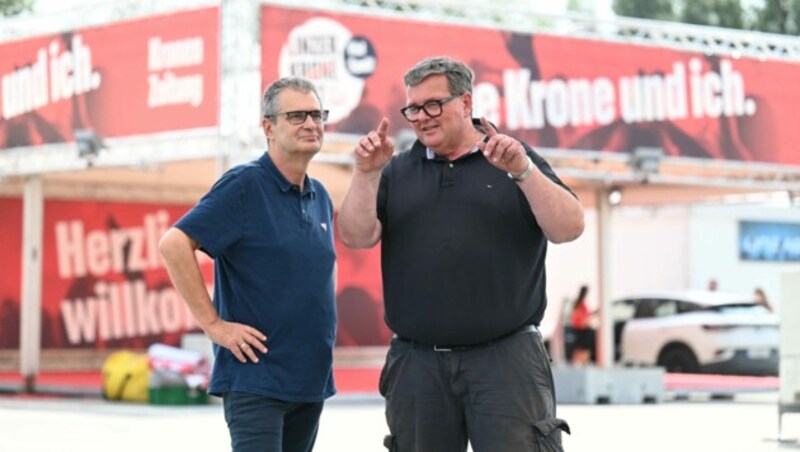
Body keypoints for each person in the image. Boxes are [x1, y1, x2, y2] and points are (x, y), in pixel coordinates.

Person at [338, 56, 585, 452]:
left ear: (466, 103)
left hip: (506, 362)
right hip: (417, 365)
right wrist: (366, 174)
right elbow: (355, 236)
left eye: (433, 104)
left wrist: (523, 171)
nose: (422, 117)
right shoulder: (396, 171)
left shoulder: (511, 158)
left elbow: (569, 227)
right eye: (413, 108)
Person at [159, 77, 337, 452]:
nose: (311, 123)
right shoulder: (244, 186)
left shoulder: (319, 195)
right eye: (297, 115)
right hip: (257, 380)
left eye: (317, 114)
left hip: (309, 379)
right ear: (268, 127)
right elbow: (174, 244)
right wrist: (214, 326)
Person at [569, 285, 594, 366]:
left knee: (579, 347)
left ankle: (578, 363)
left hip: (578, 328)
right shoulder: (581, 304)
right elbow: (581, 317)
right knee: (584, 348)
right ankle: (583, 363)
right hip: (583, 329)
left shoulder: (577, 303)